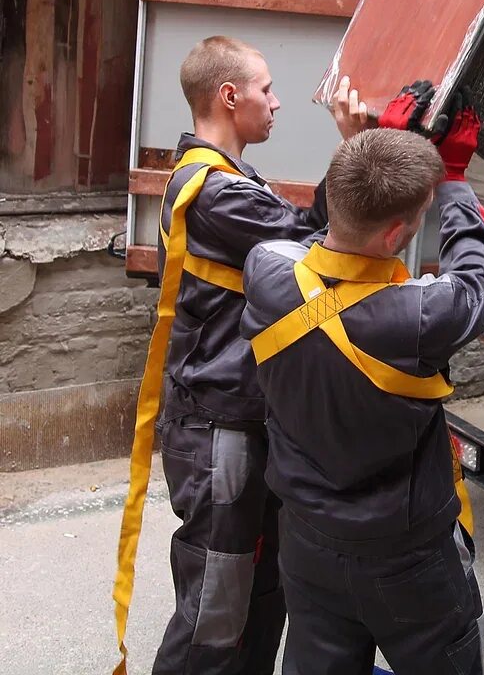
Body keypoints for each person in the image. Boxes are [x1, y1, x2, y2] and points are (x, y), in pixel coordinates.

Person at [113, 36, 368, 675]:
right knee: (217, 607)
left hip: (242, 414)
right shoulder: (215, 193)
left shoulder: (229, 182)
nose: (276, 103)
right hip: (217, 423)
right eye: (266, 89)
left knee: (259, 590)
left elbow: (299, 231)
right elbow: (316, 242)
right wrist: (355, 149)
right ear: (230, 97)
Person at [240, 81, 484, 675]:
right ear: (397, 236)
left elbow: (316, 244)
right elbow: (479, 287)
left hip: (306, 543)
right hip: (408, 561)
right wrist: (454, 176)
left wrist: (370, 154)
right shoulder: (418, 316)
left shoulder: (265, 271)